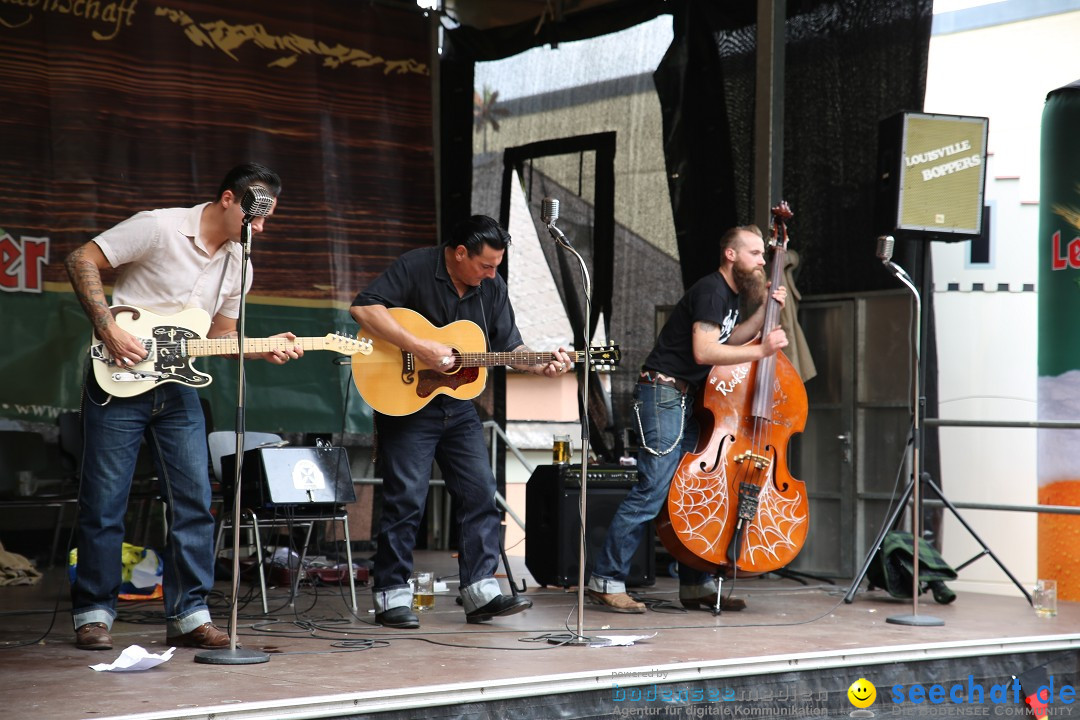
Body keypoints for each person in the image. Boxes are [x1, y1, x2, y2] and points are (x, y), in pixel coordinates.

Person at [64, 163, 304, 651]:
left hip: (178, 391)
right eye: (255, 216)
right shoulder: (159, 226)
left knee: (195, 501)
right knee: (105, 501)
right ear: (227, 200)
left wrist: (261, 348)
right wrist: (108, 326)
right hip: (118, 379)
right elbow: (80, 258)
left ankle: (191, 614)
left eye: (267, 219)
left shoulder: (241, 264)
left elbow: (217, 336)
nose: (260, 228)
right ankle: (93, 613)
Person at [350, 215, 573, 628]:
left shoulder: (492, 287)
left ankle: (480, 591)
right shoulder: (417, 266)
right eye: (485, 265)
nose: (491, 274)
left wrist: (540, 366)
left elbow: (511, 347)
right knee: (406, 500)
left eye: (497, 266)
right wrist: (421, 346)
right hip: (407, 403)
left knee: (481, 493)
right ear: (458, 253)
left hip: (459, 407)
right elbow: (363, 307)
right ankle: (391, 596)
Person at [587, 224, 788, 613]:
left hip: (682, 398)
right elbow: (704, 351)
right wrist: (762, 350)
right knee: (651, 491)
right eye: (755, 253)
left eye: (764, 254)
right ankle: (605, 579)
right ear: (731, 254)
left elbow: (727, 342)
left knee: (692, 491)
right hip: (663, 395)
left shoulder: (728, 296)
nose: (763, 260)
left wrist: (762, 314)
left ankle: (695, 584)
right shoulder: (712, 290)